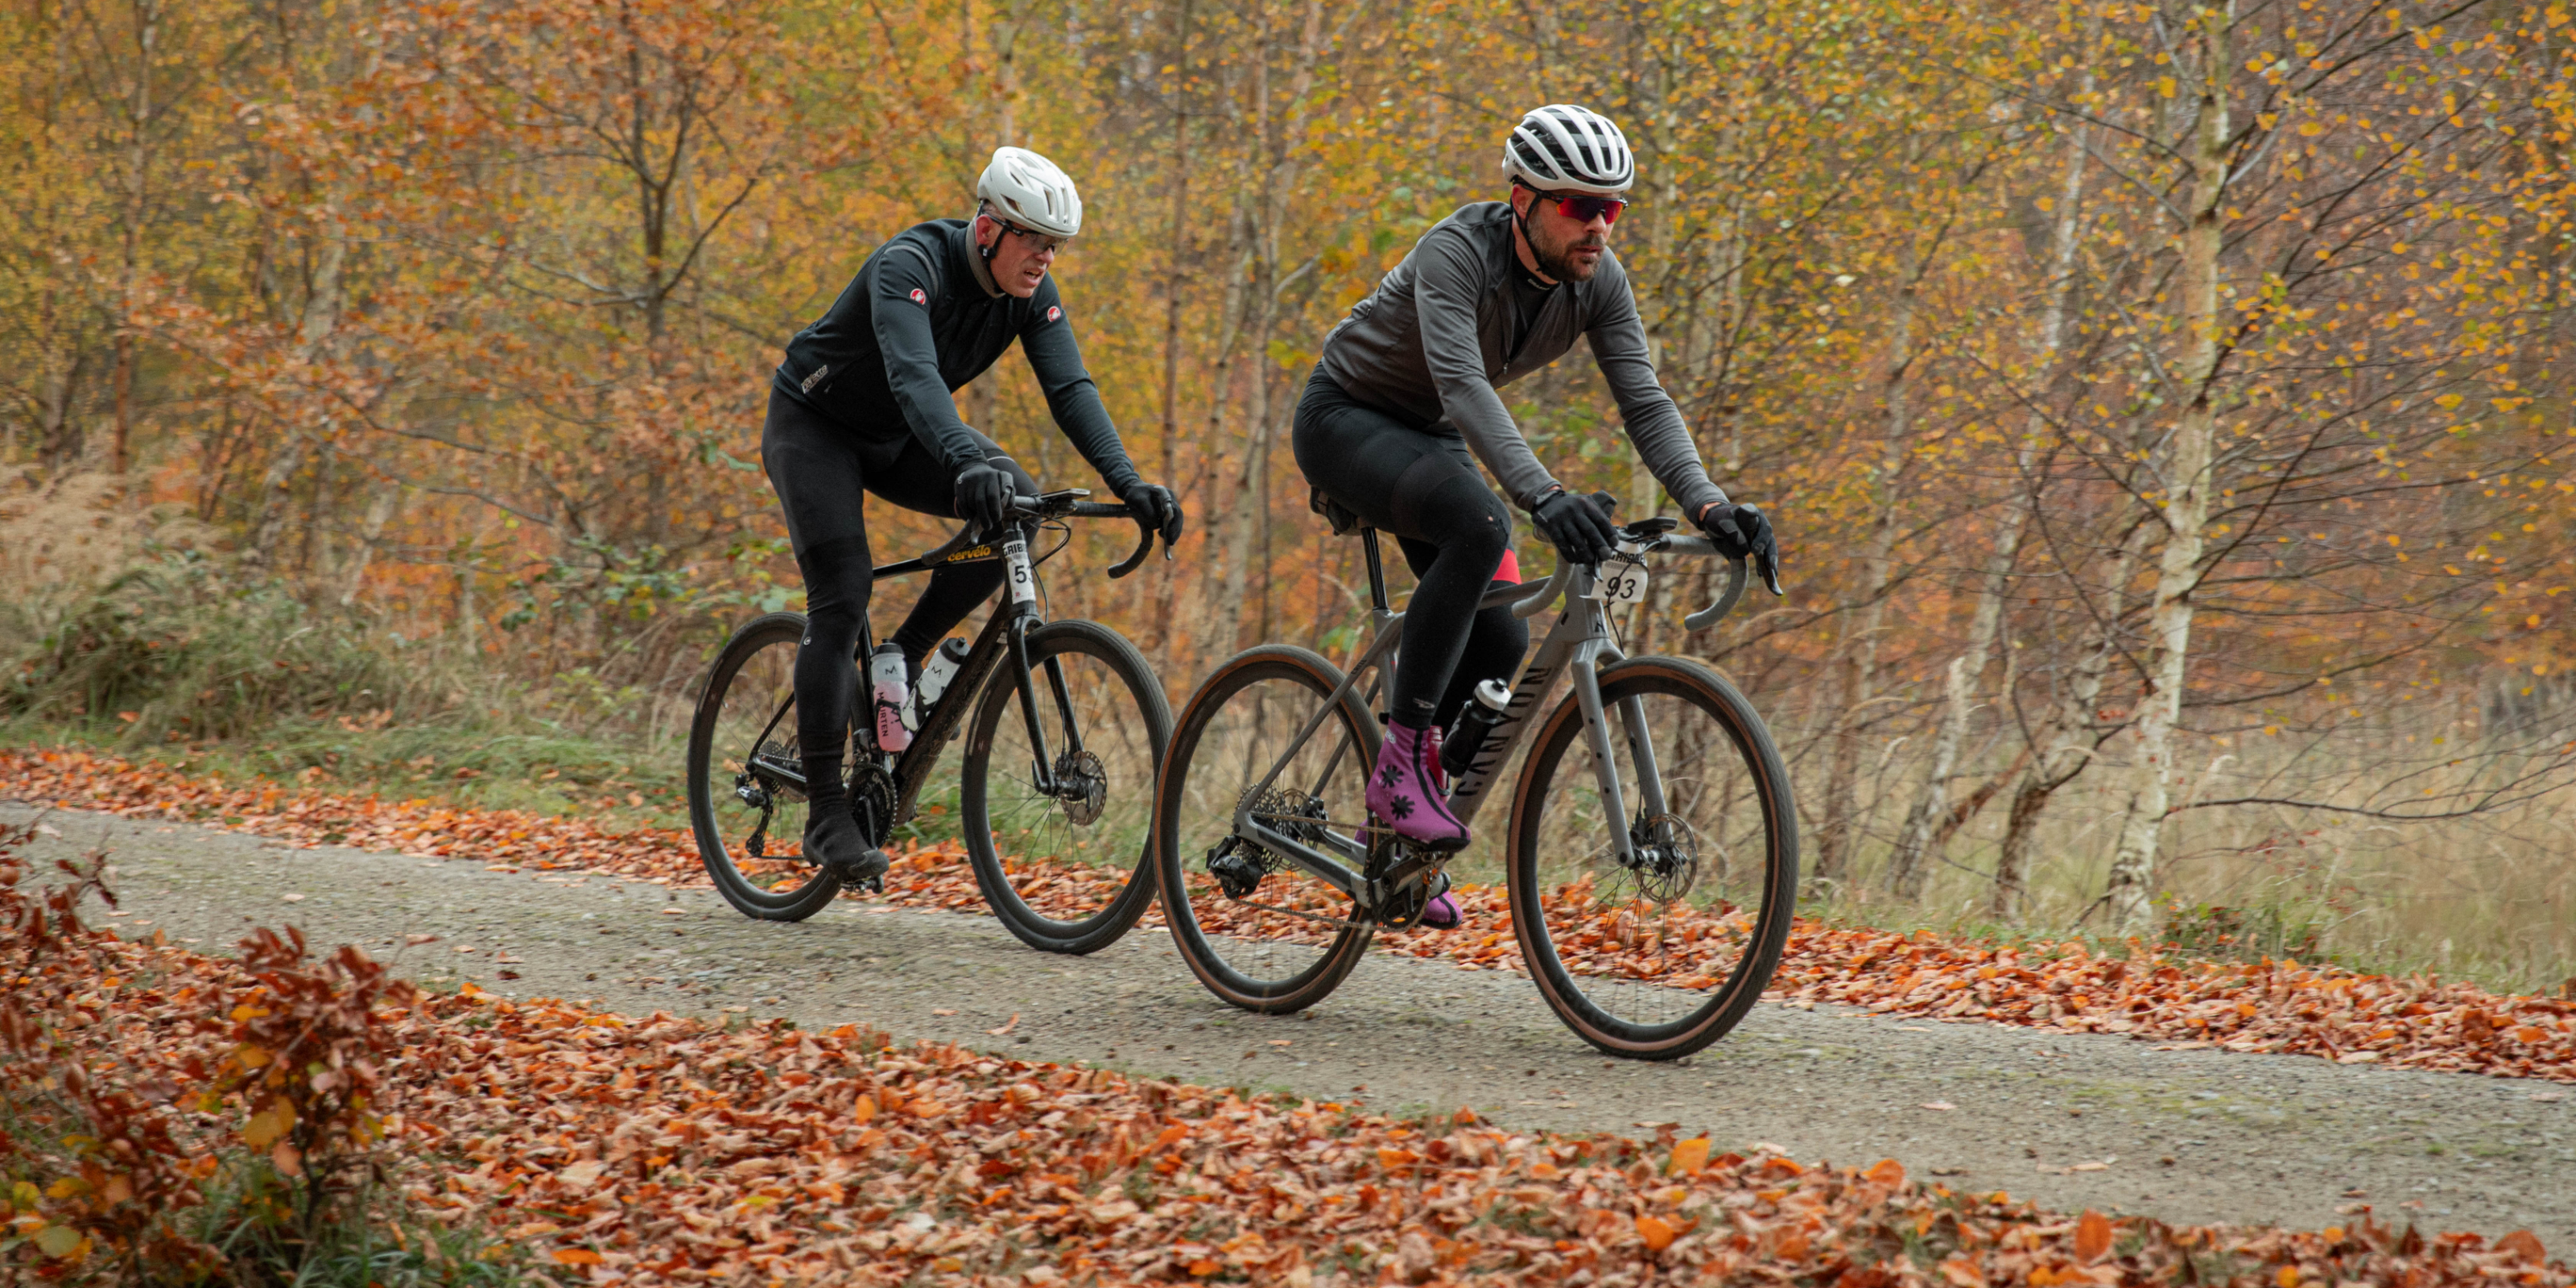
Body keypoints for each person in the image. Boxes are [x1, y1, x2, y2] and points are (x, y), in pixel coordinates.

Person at [1293, 103, 1783, 921]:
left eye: (1612, 209)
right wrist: (1543, 496)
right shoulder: (1455, 252)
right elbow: (1461, 386)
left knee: (1504, 639)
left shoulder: (1597, 282)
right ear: (1522, 200)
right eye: (1578, 207)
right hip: (1346, 417)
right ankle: (1398, 763)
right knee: (1481, 525)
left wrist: (1709, 501)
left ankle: (1399, 850)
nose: (1599, 227)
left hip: (1433, 437)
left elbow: (1644, 401)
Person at [763, 146, 1185, 885]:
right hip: (815, 426)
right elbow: (913, 374)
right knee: (844, 590)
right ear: (988, 228)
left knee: (1016, 504)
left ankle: (905, 654)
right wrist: (964, 459)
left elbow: (1072, 389)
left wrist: (1130, 480)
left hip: (898, 436)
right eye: (1033, 240)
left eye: (1055, 246)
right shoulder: (910, 266)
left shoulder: (1030, 295)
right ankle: (826, 814)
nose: (1044, 258)